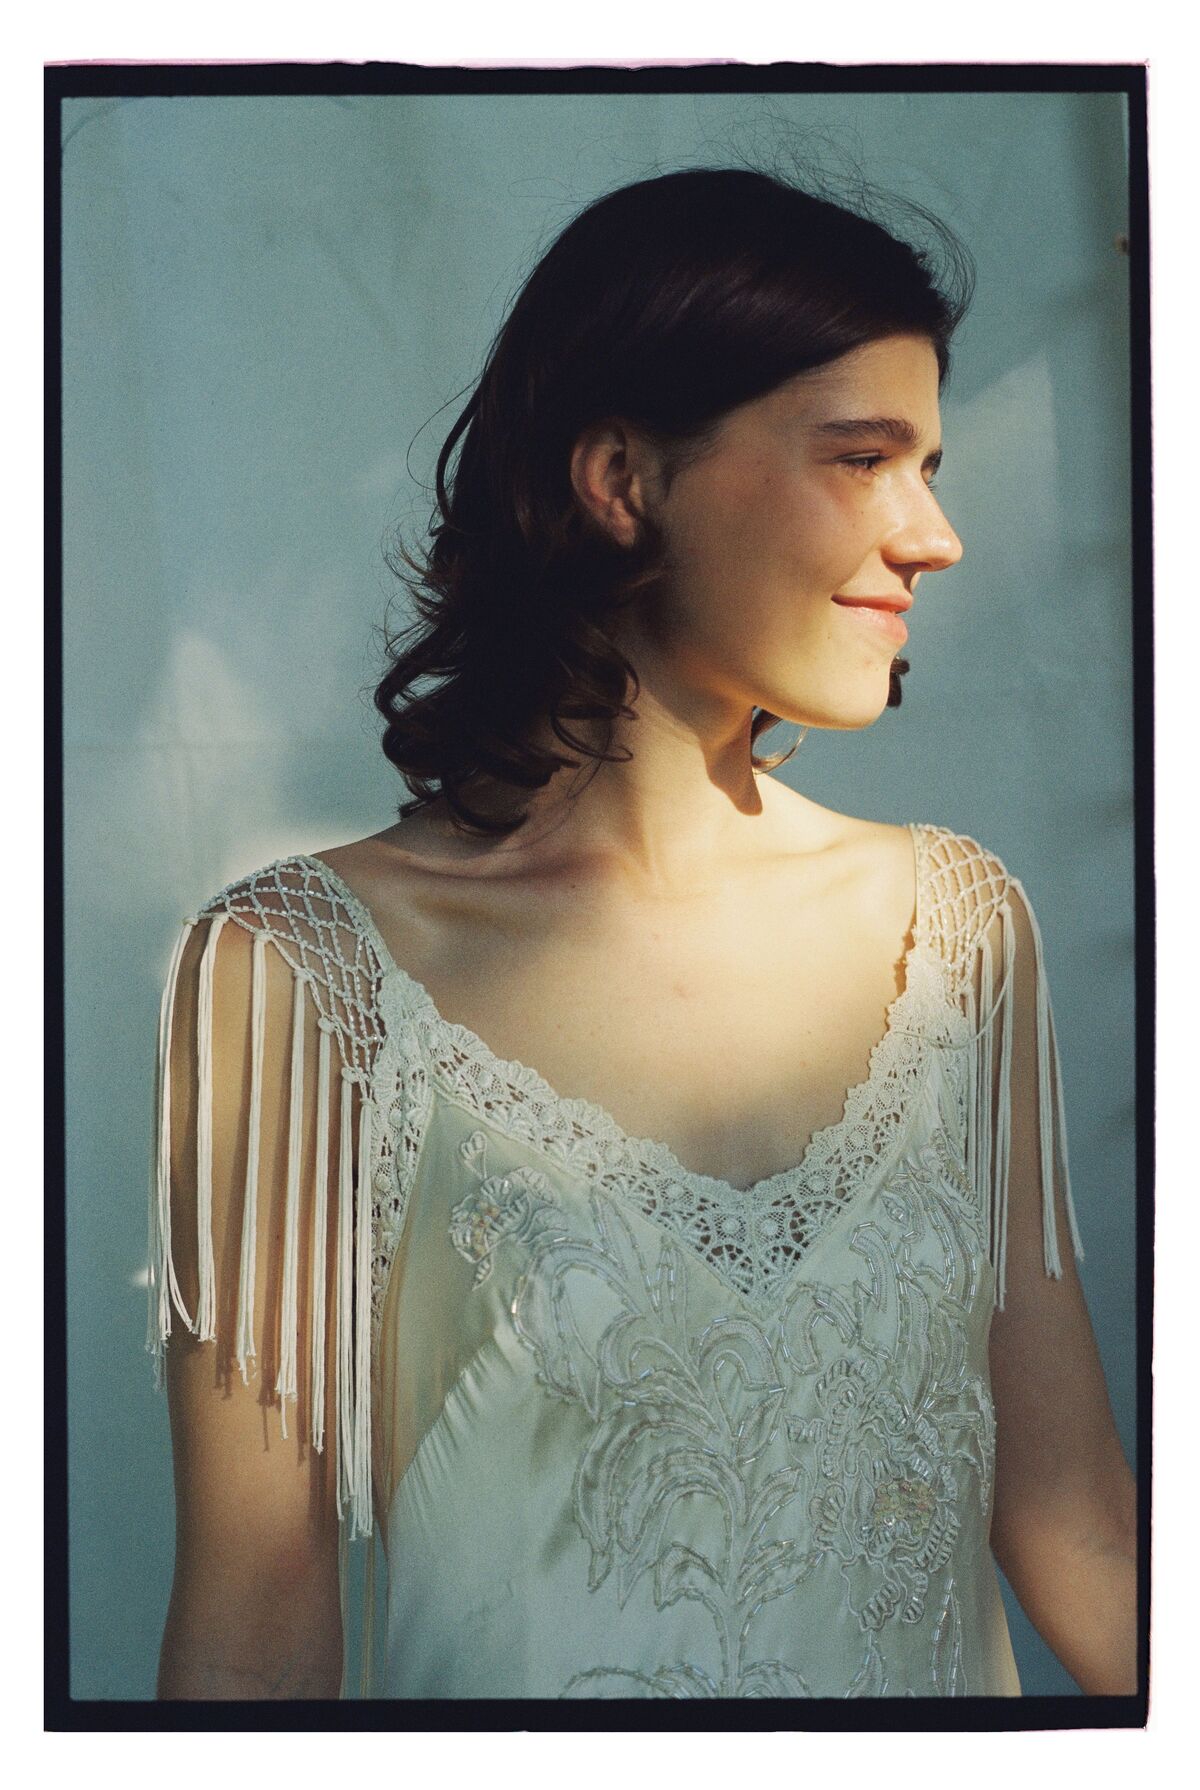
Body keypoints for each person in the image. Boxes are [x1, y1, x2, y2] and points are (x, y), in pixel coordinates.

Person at [148, 167, 1137, 1701]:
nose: (935, 534)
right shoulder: (296, 973)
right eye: (863, 458)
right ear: (621, 479)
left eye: (927, 465)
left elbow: (1077, 1522)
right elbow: (257, 1618)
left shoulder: (957, 937)